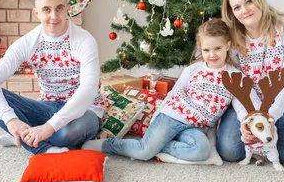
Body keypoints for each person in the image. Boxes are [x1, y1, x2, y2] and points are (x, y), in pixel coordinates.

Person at [82, 19, 255, 162]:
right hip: (172, 116)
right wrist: (158, 115)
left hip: (195, 128)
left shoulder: (235, 77)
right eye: (206, 50)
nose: (212, 55)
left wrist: (248, 121)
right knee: (144, 152)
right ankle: (108, 145)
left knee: (201, 151)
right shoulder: (194, 70)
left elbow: (241, 105)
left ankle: (158, 146)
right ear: (200, 49)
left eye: (217, 48)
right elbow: (174, 93)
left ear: (227, 45)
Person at [0, 0, 105, 155]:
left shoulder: (84, 40)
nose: (54, 16)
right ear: (37, 13)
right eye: (46, 9)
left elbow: (88, 90)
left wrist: (49, 127)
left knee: (67, 134)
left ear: (67, 9)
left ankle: (29, 136)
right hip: (46, 106)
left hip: (84, 112)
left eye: (59, 8)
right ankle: (43, 147)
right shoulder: (28, 41)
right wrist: (11, 120)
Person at [217, 0, 284, 167]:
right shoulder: (233, 41)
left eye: (248, 1)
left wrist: (270, 117)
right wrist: (247, 120)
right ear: (231, 13)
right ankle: (264, 142)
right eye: (236, 7)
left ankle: (270, 141)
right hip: (248, 104)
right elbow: (238, 85)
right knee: (229, 151)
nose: (244, 10)